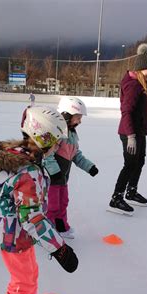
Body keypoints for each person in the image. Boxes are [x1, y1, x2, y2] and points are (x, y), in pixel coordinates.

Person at [0, 106, 78, 294]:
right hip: (13, 234)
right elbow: (32, 217)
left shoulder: (26, 157)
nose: (58, 147)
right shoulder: (29, 173)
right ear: (45, 139)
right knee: (22, 280)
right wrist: (59, 248)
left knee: (31, 272)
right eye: (56, 142)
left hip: (18, 233)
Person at [108, 43, 147, 216]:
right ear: (142, 68)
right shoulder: (134, 85)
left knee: (139, 161)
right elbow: (126, 111)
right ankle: (116, 198)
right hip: (130, 132)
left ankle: (131, 191)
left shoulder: (139, 81)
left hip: (138, 131)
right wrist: (131, 136)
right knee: (129, 164)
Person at [44, 97, 98, 239]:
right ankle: (49, 230)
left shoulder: (72, 133)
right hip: (53, 179)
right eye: (78, 118)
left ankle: (62, 226)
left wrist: (89, 167)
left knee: (63, 202)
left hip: (63, 179)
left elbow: (75, 154)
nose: (79, 121)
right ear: (66, 115)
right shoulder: (56, 132)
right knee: (53, 205)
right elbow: (47, 156)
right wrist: (55, 173)